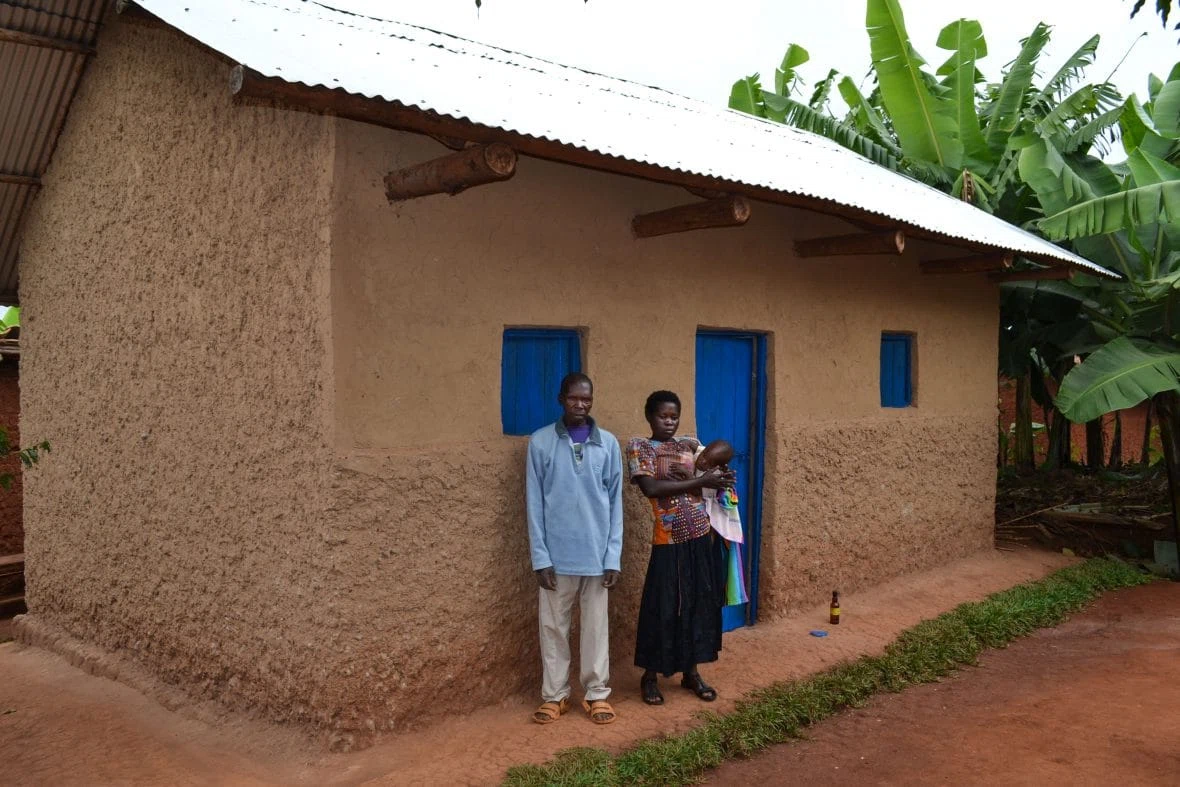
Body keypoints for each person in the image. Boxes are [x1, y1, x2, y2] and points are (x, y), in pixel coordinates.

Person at [526, 372, 623, 725]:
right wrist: (540, 557)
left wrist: (613, 556)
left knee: (596, 628)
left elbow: (616, 505)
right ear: (561, 398)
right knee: (553, 628)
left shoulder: (608, 444)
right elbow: (534, 504)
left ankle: (597, 694)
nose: (580, 405)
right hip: (556, 557)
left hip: (597, 557)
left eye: (587, 399)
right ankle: (555, 696)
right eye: (574, 398)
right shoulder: (540, 443)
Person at [626, 390, 733, 706]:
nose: (669, 422)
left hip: (701, 535)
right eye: (663, 416)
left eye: (674, 416)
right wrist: (699, 482)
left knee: (699, 603)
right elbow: (651, 488)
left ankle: (692, 671)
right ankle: (650, 675)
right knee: (662, 605)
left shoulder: (688, 445)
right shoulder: (640, 448)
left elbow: (724, 451)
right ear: (649, 417)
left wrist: (717, 474)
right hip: (668, 540)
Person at [694, 440, 749, 609]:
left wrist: (724, 486)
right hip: (696, 532)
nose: (703, 462)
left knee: (714, 576)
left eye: (708, 462)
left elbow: (728, 502)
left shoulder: (718, 475)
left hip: (714, 532)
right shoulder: (691, 458)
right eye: (704, 456)